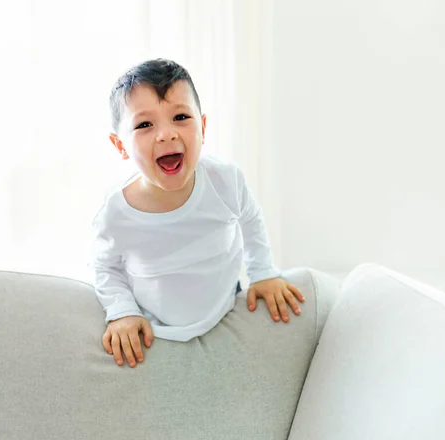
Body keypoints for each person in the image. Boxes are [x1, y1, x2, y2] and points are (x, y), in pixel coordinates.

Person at [91, 58, 305, 368]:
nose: (166, 134)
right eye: (145, 125)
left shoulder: (224, 180)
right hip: (154, 321)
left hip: (224, 304)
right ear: (120, 145)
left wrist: (263, 273)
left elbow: (251, 219)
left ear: (202, 128)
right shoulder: (116, 210)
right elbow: (104, 266)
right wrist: (123, 312)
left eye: (180, 117)